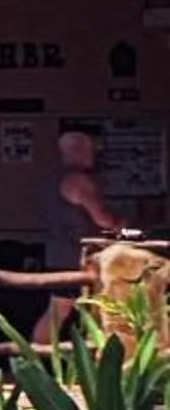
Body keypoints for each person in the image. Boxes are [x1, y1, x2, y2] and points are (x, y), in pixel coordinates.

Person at [43, 128, 126, 338]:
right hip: (77, 257)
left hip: (59, 253)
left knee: (60, 311)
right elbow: (103, 219)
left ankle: (34, 353)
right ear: (78, 150)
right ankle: (35, 353)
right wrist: (121, 223)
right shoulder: (79, 181)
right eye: (90, 148)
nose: (94, 153)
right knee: (64, 310)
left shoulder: (54, 179)